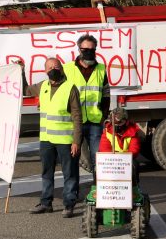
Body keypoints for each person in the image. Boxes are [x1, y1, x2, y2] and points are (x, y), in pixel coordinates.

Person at [25, 56, 82, 217]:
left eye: (56, 67)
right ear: (45, 71)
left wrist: (76, 141)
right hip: (46, 140)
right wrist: (21, 71)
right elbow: (25, 90)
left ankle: (69, 205)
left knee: (69, 174)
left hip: (65, 140)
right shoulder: (42, 86)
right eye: (50, 68)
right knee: (46, 173)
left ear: (62, 69)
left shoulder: (70, 88)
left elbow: (77, 117)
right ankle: (46, 203)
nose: (53, 70)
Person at [63, 34, 109, 176]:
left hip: (95, 121)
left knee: (98, 158)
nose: (89, 52)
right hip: (74, 122)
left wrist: (104, 115)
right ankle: (72, 189)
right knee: (72, 158)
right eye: (85, 49)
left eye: (92, 49)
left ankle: (99, 186)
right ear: (79, 50)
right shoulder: (67, 68)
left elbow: (106, 94)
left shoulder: (101, 69)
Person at [99, 106, 141, 186]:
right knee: (97, 168)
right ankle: (98, 188)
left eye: (119, 123)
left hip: (126, 160)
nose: (116, 125)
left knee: (134, 165)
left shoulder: (133, 131)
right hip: (110, 161)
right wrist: (115, 159)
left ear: (126, 122)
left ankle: (135, 187)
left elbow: (134, 149)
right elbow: (104, 149)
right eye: (114, 123)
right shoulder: (107, 132)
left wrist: (121, 159)